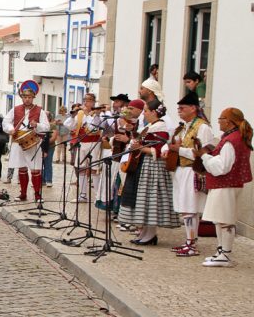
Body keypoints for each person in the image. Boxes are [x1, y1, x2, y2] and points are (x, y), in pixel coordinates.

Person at [118, 100, 179, 246]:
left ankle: (150, 234)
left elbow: (158, 149)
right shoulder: (151, 126)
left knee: (151, 199)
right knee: (143, 199)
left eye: (146, 111)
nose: (144, 113)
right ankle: (145, 232)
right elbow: (142, 142)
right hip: (143, 164)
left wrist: (140, 148)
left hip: (152, 167)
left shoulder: (160, 127)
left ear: (154, 112)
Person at [198, 107, 252, 267]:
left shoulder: (232, 140)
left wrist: (205, 156)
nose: (218, 122)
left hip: (226, 184)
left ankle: (225, 255)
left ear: (228, 121)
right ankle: (221, 252)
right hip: (226, 184)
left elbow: (223, 167)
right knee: (219, 219)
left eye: (220, 119)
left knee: (225, 221)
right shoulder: (234, 137)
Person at [170, 92, 215, 257]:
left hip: (192, 170)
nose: (179, 111)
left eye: (182, 108)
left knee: (190, 208)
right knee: (185, 208)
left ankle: (192, 244)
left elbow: (204, 152)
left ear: (193, 108)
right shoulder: (185, 126)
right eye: (178, 108)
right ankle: (189, 240)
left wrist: (178, 149)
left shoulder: (203, 127)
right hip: (181, 169)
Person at [4, 81, 51, 202]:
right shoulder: (15, 109)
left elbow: (47, 127)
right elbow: (6, 122)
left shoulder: (40, 111)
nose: (27, 100)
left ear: (33, 98)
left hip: (33, 143)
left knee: (35, 169)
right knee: (22, 168)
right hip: (18, 142)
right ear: (22, 98)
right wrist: (11, 129)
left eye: (29, 97)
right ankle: (23, 194)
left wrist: (37, 125)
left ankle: (37, 195)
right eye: (25, 97)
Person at [64, 93, 105, 203]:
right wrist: (73, 116)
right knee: (81, 168)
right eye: (85, 100)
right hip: (82, 143)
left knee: (94, 169)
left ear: (93, 102)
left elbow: (94, 128)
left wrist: (87, 114)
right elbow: (69, 125)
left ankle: (97, 196)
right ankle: (82, 195)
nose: (86, 102)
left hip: (94, 143)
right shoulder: (81, 114)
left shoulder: (98, 113)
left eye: (89, 100)